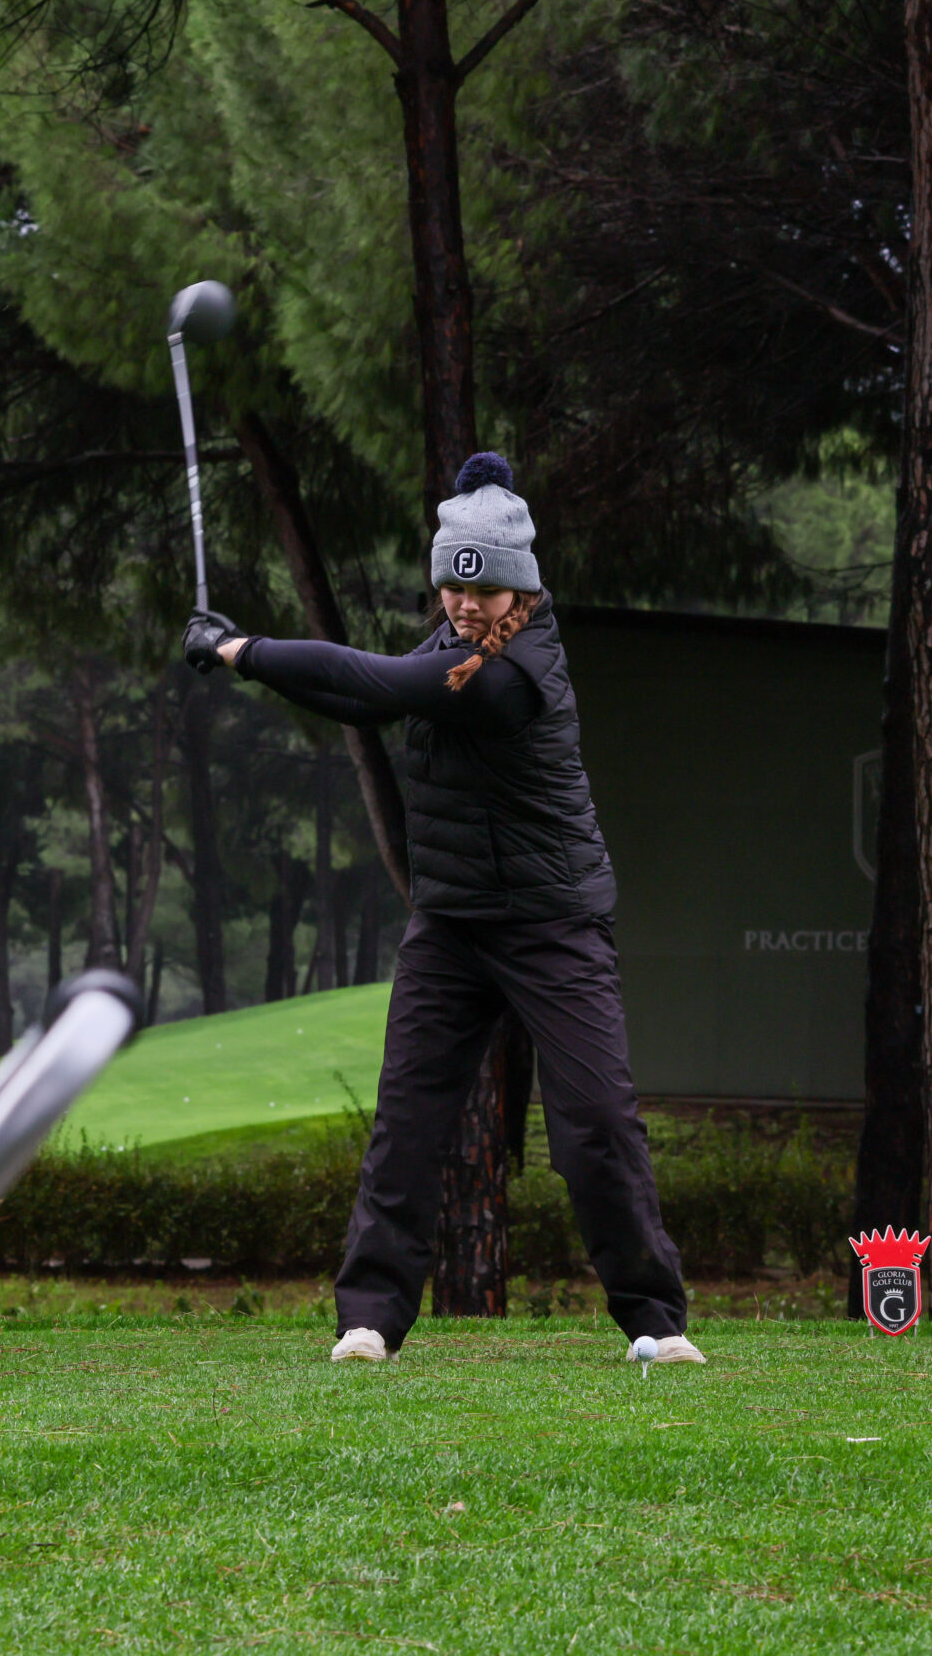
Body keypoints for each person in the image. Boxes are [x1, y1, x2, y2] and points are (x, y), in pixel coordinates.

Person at [183, 451, 701, 1365]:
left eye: (484, 589)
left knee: (595, 1125)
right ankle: (369, 1320)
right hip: (455, 924)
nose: (465, 605)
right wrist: (251, 664)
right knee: (409, 1120)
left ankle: (656, 1324)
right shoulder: (453, 646)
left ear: (519, 590)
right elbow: (357, 695)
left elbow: (374, 683)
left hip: (551, 923)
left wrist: (240, 650)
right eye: (453, 587)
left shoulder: (513, 670)